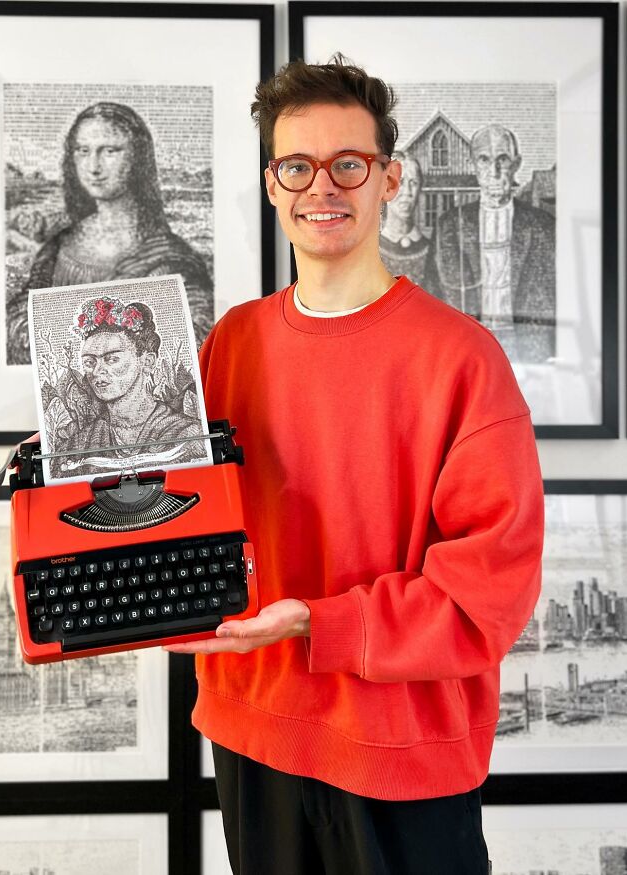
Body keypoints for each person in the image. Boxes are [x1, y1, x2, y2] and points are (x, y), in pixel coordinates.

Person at [164, 57, 543, 875]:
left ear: (389, 179)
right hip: (252, 732)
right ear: (273, 184)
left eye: (348, 164)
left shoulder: (463, 359)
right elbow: (173, 499)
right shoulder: (230, 343)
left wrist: (317, 621)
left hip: (403, 750)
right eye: (296, 166)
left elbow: (488, 597)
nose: (321, 188)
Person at [7, 102, 213, 364]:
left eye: (109, 151)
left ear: (137, 157)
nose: (94, 166)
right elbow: (18, 317)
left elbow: (195, 338)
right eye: (83, 151)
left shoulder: (170, 257)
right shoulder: (59, 245)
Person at [423, 123, 555, 363]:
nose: (494, 171)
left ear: (516, 164)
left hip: (527, 353)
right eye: (484, 160)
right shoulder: (449, 226)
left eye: (502, 159)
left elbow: (557, 298)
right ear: (473, 164)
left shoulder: (543, 227)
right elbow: (431, 298)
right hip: (465, 348)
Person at [52, 295, 205, 476]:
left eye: (112, 359)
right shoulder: (75, 447)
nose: (97, 371)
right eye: (89, 362)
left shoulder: (189, 434)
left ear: (147, 362)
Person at [379, 150, 429, 284]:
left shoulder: (431, 249)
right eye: (400, 182)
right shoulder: (369, 250)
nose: (407, 192)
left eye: (413, 183)